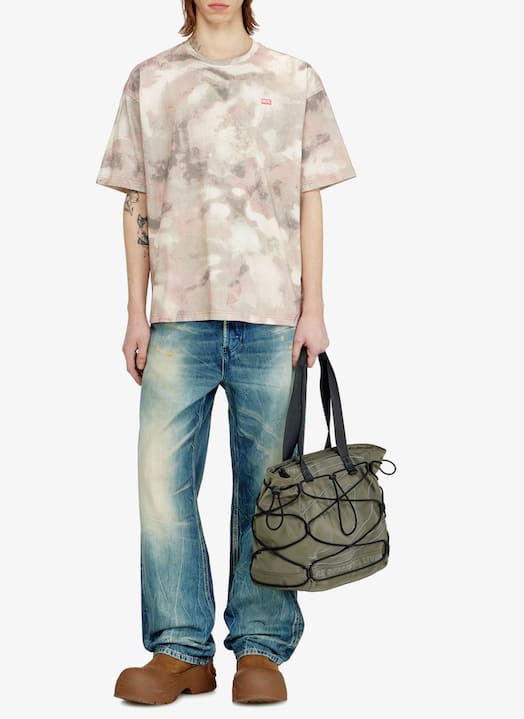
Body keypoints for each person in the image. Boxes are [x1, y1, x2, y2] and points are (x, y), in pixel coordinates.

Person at [95, 0, 356, 705]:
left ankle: (261, 647)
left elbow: (309, 197)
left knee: (268, 488)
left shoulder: (295, 78)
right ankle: (179, 649)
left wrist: (314, 308)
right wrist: (135, 311)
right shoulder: (150, 80)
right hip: (177, 318)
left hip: (272, 317)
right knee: (161, 484)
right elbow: (135, 201)